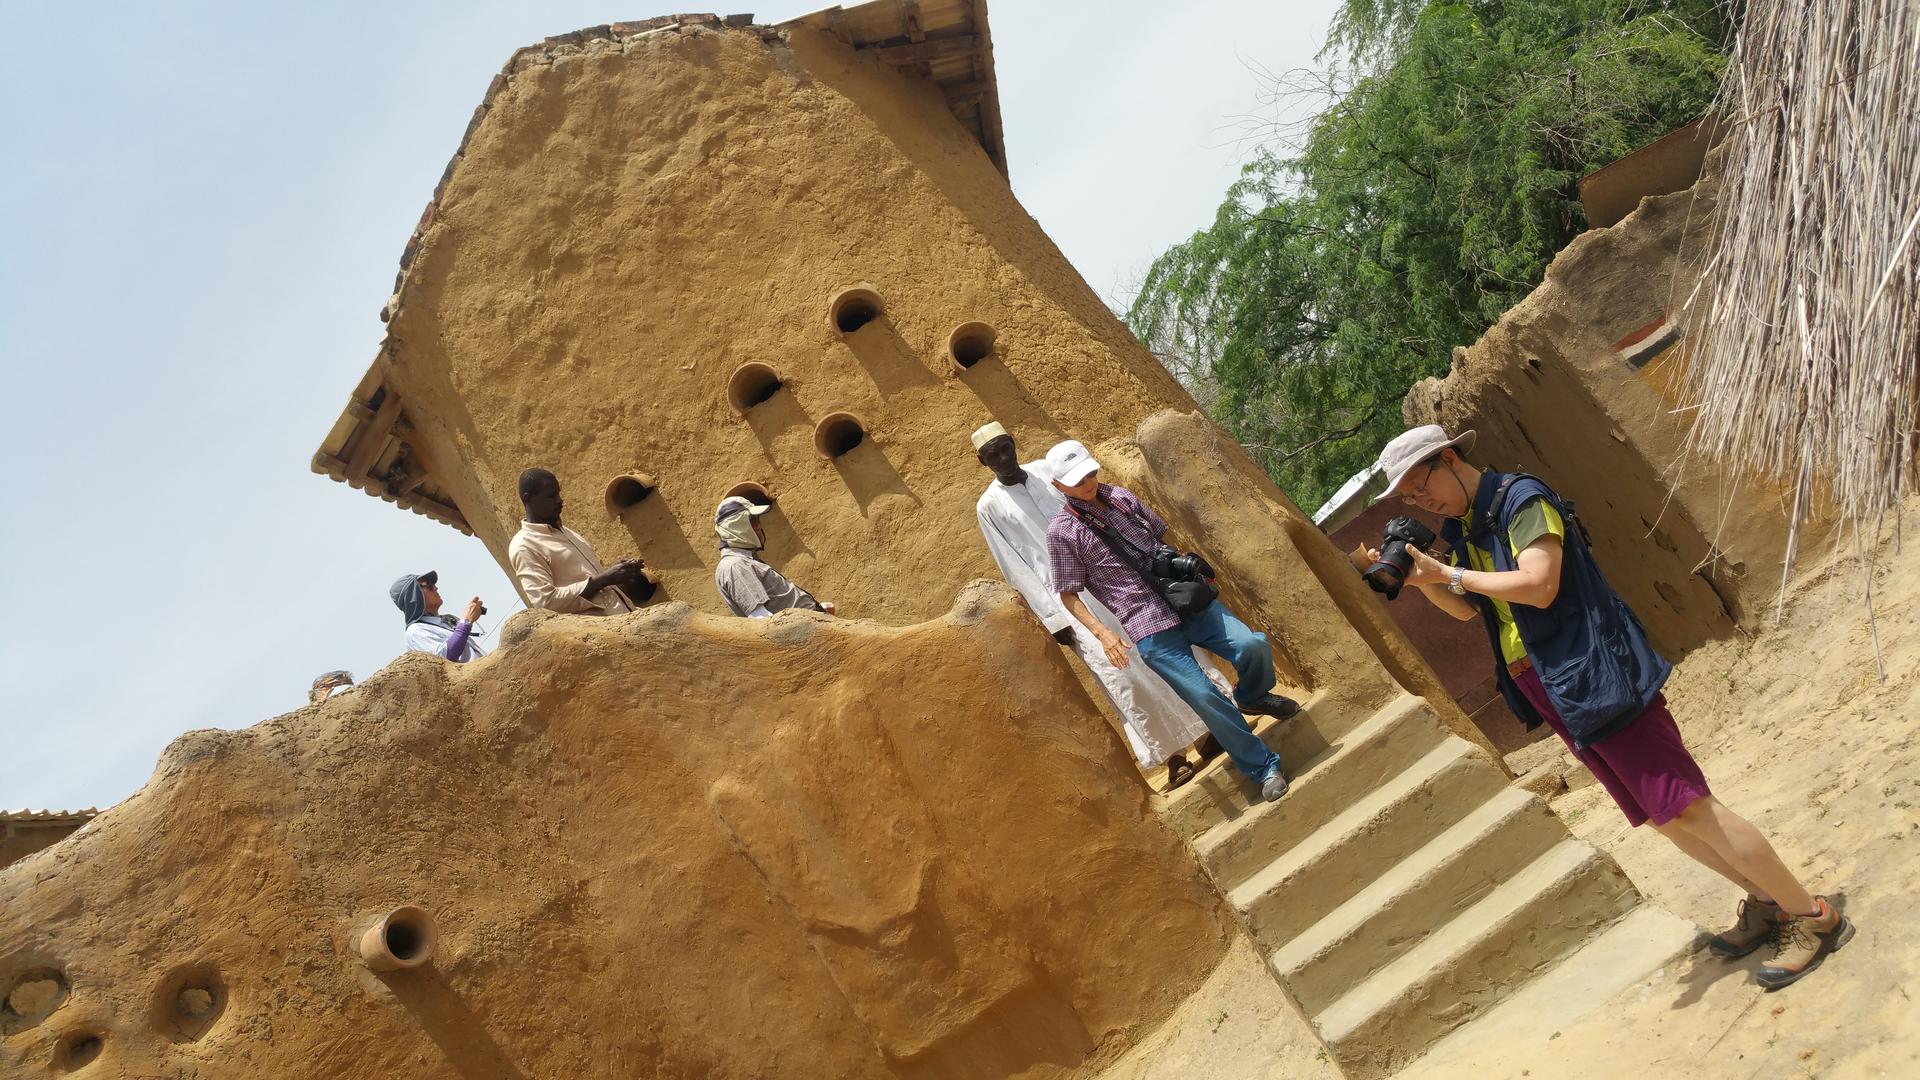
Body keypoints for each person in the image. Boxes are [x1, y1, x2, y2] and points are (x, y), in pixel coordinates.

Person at [1363, 424, 1853, 989]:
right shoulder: (1467, 528)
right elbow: (1471, 613)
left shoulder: (1521, 499)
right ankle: (1766, 901)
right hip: (1549, 684)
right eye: (1407, 498)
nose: (1418, 501)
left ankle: (1810, 917)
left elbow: (1539, 584)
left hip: (1595, 671)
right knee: (1663, 818)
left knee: (1688, 804)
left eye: (1418, 485)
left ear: (1448, 457)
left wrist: (1449, 570)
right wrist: (1426, 579)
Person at [1044, 439, 1300, 802]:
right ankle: (1263, 768)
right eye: (1076, 480)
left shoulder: (1120, 496)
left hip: (1186, 599)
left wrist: (1189, 569)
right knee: (1203, 694)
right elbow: (1068, 592)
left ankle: (1253, 695)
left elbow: (1162, 536)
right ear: (1058, 486)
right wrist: (1102, 634)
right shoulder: (1061, 533)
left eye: (1090, 472)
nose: (1088, 483)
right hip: (1146, 623)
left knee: (1251, 644)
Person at [971, 422, 1219, 787]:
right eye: (993, 455)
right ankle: (1172, 755)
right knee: (1123, 677)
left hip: (1111, 576)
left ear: (1013, 444)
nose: (1003, 458)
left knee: (1161, 649)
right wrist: (1054, 619)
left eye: (1005, 448)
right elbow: (1013, 565)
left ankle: (1208, 730)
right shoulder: (989, 506)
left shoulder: (1048, 471)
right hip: (1068, 600)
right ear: (982, 461)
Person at [509, 468, 657, 614]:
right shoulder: (524, 546)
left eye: (558, 493)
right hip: (599, 633)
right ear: (528, 499)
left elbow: (593, 582)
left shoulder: (566, 532)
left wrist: (621, 572)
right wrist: (605, 578)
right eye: (551, 496)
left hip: (624, 617)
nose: (559, 500)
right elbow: (546, 602)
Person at [712, 495, 836, 617]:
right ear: (736, 526)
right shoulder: (735, 566)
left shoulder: (742, 561)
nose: (759, 525)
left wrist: (816, 609)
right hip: (808, 634)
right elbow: (762, 620)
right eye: (753, 521)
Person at [391, 570, 487, 662]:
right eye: (428, 585)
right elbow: (445, 658)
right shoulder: (415, 631)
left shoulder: (446, 620)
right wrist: (466, 621)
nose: (435, 588)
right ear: (413, 596)